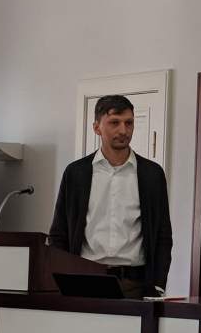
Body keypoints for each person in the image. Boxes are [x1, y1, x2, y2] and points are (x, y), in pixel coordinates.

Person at [49, 94, 173, 296]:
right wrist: (61, 279)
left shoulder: (152, 174)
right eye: (114, 122)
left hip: (136, 283)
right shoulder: (75, 174)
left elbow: (163, 235)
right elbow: (58, 233)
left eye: (129, 123)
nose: (123, 130)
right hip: (83, 279)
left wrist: (158, 285)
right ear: (97, 127)